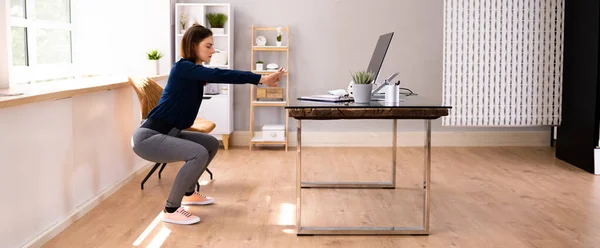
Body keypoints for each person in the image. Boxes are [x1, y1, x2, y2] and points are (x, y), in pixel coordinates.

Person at [131, 24, 283, 225]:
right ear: (194, 45)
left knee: (210, 144)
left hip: (170, 133)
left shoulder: (194, 72)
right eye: (209, 46)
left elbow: (215, 76)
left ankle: (189, 192)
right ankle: (171, 209)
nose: (214, 51)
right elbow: (221, 74)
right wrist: (260, 79)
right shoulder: (182, 67)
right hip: (148, 138)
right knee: (198, 153)